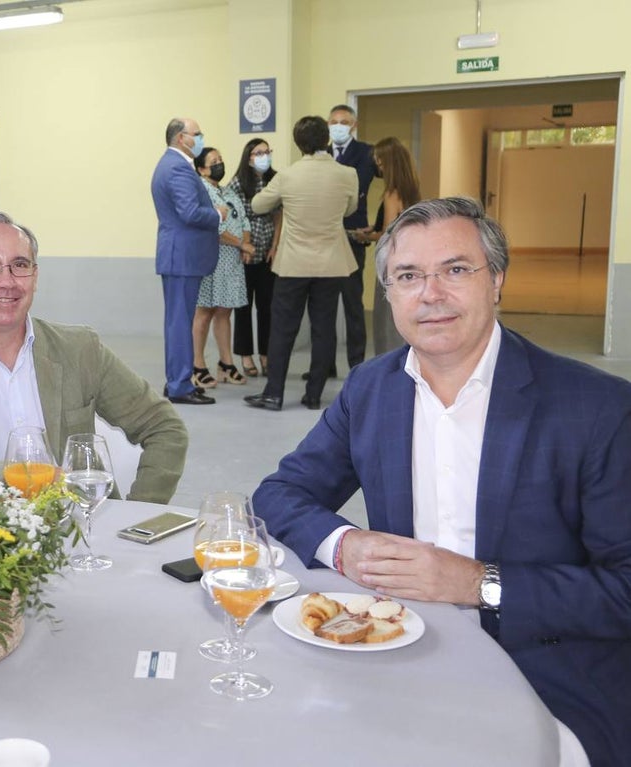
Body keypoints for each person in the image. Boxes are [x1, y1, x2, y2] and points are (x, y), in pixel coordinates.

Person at [252, 197, 631, 767]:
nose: (431, 294)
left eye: (455, 270)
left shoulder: (595, 408)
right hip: (398, 653)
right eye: (408, 276)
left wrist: (480, 583)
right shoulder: (371, 390)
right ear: (389, 295)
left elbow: (623, 590)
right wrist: (347, 545)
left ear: (496, 280)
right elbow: (280, 495)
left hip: (545, 674)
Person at [0, 211, 188, 503]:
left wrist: (137, 514)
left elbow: (163, 426)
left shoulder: (81, 350)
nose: (6, 281)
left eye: (19, 265)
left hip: (80, 527)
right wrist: (18, 477)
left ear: (35, 276)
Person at [244, 116, 358, 411]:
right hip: (331, 264)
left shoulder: (288, 176)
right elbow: (350, 208)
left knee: (283, 329)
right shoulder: (347, 174)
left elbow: (257, 205)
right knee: (324, 329)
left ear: (298, 143)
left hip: (293, 263)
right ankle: (314, 395)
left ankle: (273, 393)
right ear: (326, 139)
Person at [151, 117, 224, 405]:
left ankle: (177, 380)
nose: (201, 138)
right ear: (182, 138)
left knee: (177, 322)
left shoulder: (171, 164)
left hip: (179, 256)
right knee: (180, 323)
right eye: (198, 134)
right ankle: (180, 385)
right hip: (182, 257)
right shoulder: (178, 168)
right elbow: (191, 213)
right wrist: (218, 214)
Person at [321, 103, 378, 377]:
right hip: (323, 235)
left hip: (354, 234)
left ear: (353, 125)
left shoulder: (366, 153)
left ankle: (357, 365)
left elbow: (394, 178)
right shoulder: (320, 154)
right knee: (324, 305)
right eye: (333, 121)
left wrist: (379, 224)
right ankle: (325, 364)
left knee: (353, 303)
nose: (338, 126)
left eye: (343, 121)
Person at [352, 136, 420, 354]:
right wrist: (373, 228)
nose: (377, 166)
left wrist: (366, 237)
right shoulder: (410, 190)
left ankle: (388, 361)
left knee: (386, 321)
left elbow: (389, 233)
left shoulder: (392, 193)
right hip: (408, 262)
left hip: (392, 263)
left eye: (380, 162)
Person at [191, 146, 249, 389]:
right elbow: (212, 228)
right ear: (202, 168)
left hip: (232, 262)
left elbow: (243, 219)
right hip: (211, 259)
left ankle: (226, 363)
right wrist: (242, 245)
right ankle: (197, 365)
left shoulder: (228, 192)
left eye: (221, 159)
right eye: (214, 161)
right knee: (204, 312)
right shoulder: (201, 191)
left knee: (225, 312)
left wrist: (245, 243)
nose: (219, 164)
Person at [228, 138, 281, 378]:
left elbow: (279, 216)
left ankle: (267, 355)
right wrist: (244, 245)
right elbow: (235, 217)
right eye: (258, 152)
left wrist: (275, 246)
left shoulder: (275, 179)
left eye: (266, 152)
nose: (263, 156)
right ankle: (245, 356)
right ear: (248, 156)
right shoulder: (238, 183)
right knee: (243, 306)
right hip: (245, 252)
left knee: (267, 307)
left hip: (268, 251)